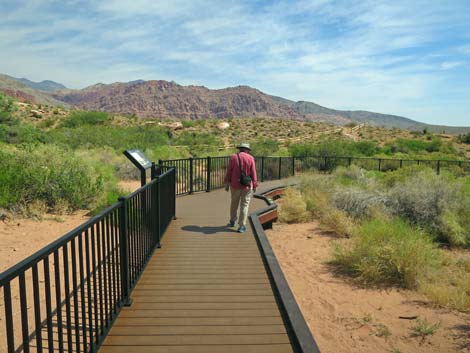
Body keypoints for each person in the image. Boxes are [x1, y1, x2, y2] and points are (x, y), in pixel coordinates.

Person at [224, 142, 258, 233]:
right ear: (247, 150)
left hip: (235, 185)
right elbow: (253, 173)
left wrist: (227, 182)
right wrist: (254, 185)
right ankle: (242, 226)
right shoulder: (251, 158)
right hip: (247, 186)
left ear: (240, 149)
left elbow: (229, 172)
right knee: (244, 205)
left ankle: (232, 220)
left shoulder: (233, 157)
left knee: (234, 203)